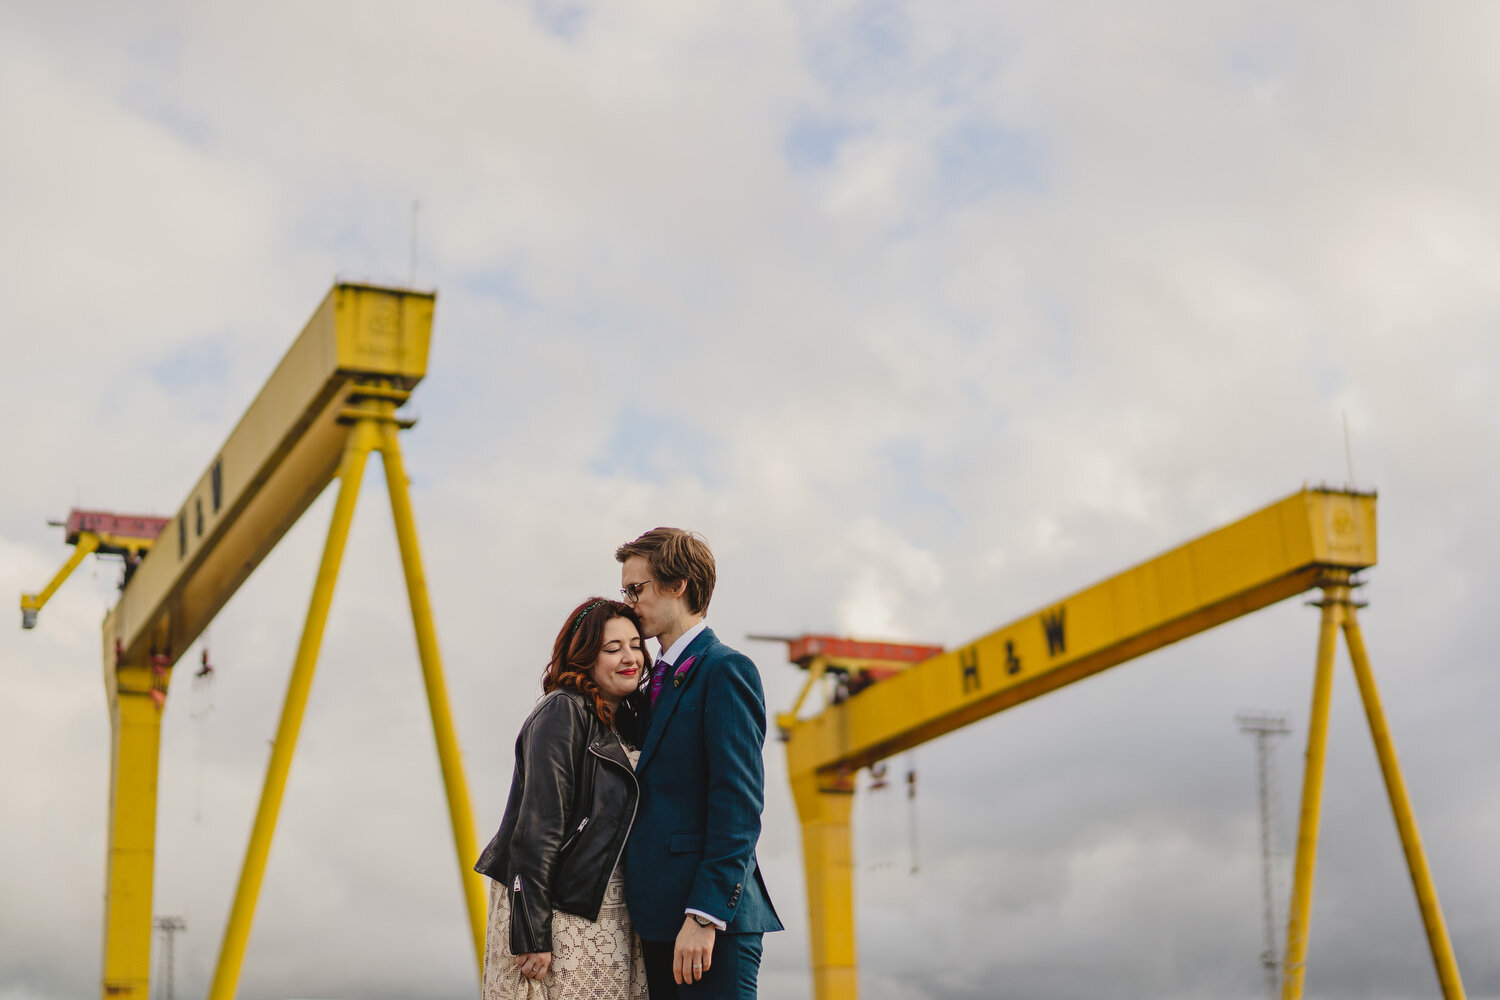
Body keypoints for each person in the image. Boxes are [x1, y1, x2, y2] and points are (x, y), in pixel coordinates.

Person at [616, 528, 782, 999]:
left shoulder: (726, 669)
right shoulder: (650, 684)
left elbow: (738, 802)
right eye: (624, 590)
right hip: (658, 921)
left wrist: (705, 915)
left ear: (679, 584)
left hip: (708, 925)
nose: (628, 602)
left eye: (636, 589)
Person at [474, 598, 652, 999]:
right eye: (613, 649)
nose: (630, 658)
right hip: (560, 910)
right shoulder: (563, 712)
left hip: (610, 908)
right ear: (585, 657)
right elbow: (537, 826)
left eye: (636, 645)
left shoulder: (629, 719)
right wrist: (532, 932)